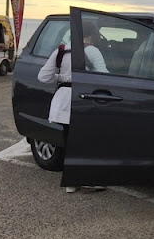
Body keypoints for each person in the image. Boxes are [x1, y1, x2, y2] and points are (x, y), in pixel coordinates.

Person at [38, 21, 108, 193]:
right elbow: (104, 76)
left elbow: (43, 77)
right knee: (88, 141)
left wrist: (63, 77)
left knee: (69, 140)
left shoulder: (61, 51)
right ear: (91, 35)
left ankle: (71, 182)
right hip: (85, 99)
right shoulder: (91, 50)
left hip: (63, 100)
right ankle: (88, 180)